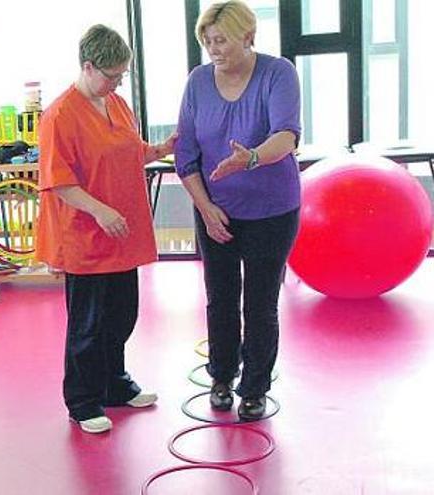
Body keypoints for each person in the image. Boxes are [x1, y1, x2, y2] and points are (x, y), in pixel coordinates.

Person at [34, 24, 176, 434]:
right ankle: (82, 400)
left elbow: (127, 152)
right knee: (88, 325)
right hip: (86, 238)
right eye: (112, 75)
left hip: (121, 235)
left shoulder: (116, 104)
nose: (117, 82)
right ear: (88, 65)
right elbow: (58, 180)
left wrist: (159, 151)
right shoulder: (59, 115)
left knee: (121, 316)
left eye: (122, 76)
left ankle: (115, 384)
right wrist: (99, 211)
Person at [174, 0, 301, 421]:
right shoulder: (197, 82)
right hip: (217, 212)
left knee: (260, 302)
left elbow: (287, 136)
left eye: (222, 40)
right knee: (220, 299)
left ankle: (255, 387)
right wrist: (207, 208)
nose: (214, 49)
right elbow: (186, 156)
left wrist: (250, 159)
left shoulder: (277, 72)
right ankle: (223, 376)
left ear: (248, 37)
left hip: (271, 210)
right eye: (208, 41)